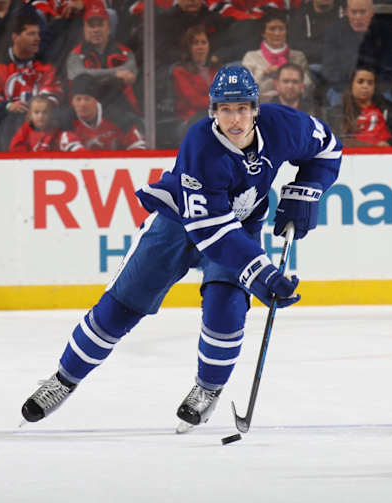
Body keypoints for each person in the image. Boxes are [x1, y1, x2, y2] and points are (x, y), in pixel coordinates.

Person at [21, 66, 341, 431]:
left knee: (227, 308)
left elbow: (328, 149)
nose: (234, 119)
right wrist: (261, 274)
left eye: (241, 108)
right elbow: (212, 233)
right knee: (121, 306)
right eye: (224, 109)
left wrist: (306, 191)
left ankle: (207, 390)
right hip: (179, 224)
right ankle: (63, 380)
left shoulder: (284, 125)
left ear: (255, 108)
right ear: (212, 112)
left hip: (240, 225)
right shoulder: (201, 147)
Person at [0, 12, 63, 150]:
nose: (37, 38)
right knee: (13, 119)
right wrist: (8, 106)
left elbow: (54, 92)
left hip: (41, 122)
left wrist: (37, 107)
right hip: (9, 123)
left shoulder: (45, 66)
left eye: (38, 34)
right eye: (31, 34)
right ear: (15, 37)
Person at [66, 2, 140, 116]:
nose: (96, 30)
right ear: (84, 30)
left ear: (109, 28)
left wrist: (94, 78)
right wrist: (115, 75)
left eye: (100, 25)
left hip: (121, 110)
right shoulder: (75, 54)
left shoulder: (125, 52)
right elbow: (78, 76)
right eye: (91, 25)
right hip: (87, 113)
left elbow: (132, 74)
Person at [321, 0, 392, 107]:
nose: (358, 17)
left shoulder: (385, 31)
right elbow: (330, 68)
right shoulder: (334, 30)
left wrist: (370, 88)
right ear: (346, 12)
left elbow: (389, 67)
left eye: (362, 12)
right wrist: (351, 89)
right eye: (354, 12)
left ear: (372, 12)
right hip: (343, 87)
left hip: (375, 87)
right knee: (337, 103)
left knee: (388, 105)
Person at [326, 66, 392, 147]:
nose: (365, 86)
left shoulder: (387, 109)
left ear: (374, 87)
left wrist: (389, 144)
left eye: (370, 83)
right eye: (360, 82)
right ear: (351, 85)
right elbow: (333, 142)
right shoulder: (339, 112)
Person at [241, 9, 313, 103]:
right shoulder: (251, 57)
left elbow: (308, 87)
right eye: (272, 29)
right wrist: (264, 74)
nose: (277, 33)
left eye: (281, 29)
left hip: (292, 107)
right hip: (262, 108)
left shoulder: (298, 56)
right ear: (263, 33)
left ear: (286, 32)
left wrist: (292, 75)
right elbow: (245, 91)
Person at [62, 73, 146, 150]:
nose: (82, 104)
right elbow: (76, 154)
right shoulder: (67, 121)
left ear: (96, 101)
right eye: (78, 99)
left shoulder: (117, 117)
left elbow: (138, 145)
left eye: (87, 99)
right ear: (72, 102)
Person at [172, 24, 220, 141]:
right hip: (191, 118)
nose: (200, 47)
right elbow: (195, 101)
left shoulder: (218, 69)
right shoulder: (180, 71)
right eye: (195, 43)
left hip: (218, 116)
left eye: (203, 42)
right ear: (189, 48)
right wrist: (222, 103)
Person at [9, 95, 85, 151]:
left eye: (44, 112)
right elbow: (15, 148)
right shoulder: (25, 130)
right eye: (36, 112)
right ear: (30, 115)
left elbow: (68, 140)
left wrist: (78, 150)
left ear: (50, 114)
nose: (40, 116)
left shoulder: (55, 130)